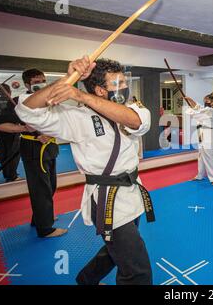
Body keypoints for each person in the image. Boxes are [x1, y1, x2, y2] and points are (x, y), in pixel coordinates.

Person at [15, 56, 153, 285]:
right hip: (108, 198)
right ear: (99, 90)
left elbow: (136, 122)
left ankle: (87, 279)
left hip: (133, 191)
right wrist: (70, 79)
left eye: (123, 83)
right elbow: (27, 111)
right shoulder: (75, 117)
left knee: (116, 248)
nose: (124, 88)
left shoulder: (132, 108)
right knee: (137, 270)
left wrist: (80, 94)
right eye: (116, 85)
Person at [19, 69, 65, 238]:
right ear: (27, 84)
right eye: (36, 82)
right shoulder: (23, 101)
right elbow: (5, 125)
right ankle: (45, 228)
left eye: (43, 81)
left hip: (50, 147)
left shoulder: (49, 100)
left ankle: (39, 219)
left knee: (50, 185)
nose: (41, 84)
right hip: (34, 148)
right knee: (41, 188)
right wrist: (29, 130)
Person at [0, 84, 29, 182]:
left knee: (3, 152)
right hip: (11, 130)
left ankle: (7, 174)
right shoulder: (10, 102)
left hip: (0, 131)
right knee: (12, 153)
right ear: (9, 91)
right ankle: (12, 176)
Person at [184, 93, 213, 186]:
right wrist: (190, 100)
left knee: (209, 156)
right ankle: (200, 175)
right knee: (201, 156)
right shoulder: (206, 109)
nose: (205, 102)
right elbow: (198, 107)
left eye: (207, 100)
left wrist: (190, 110)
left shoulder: (211, 110)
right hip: (201, 133)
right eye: (204, 101)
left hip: (208, 134)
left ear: (212, 101)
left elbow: (197, 113)